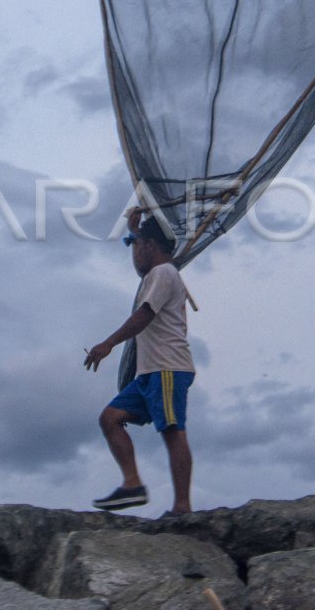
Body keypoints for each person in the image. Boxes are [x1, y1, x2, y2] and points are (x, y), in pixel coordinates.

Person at [84, 208, 195, 515]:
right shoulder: (156, 274)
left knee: (173, 432)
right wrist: (134, 232)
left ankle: (182, 507)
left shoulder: (164, 273)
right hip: (149, 372)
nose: (134, 253)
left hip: (168, 367)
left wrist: (108, 343)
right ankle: (132, 484)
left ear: (150, 245)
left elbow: (143, 316)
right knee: (110, 418)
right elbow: (139, 268)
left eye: (137, 245)